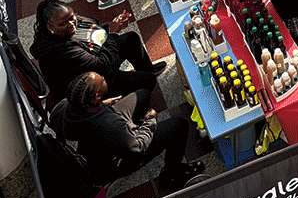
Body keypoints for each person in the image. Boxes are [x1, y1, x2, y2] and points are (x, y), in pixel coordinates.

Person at [50, 72, 203, 189]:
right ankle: (171, 173)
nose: (104, 78)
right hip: (115, 163)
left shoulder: (66, 106)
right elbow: (137, 148)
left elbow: (66, 119)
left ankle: (131, 131)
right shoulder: (108, 124)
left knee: (143, 94)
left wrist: (103, 104)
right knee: (178, 125)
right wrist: (150, 121)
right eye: (101, 81)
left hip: (105, 135)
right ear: (95, 97)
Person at [31, 0, 166, 103]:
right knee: (148, 81)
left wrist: (111, 26)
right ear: (50, 27)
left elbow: (93, 31)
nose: (71, 24)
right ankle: (129, 109)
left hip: (98, 61)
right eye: (63, 23)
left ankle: (148, 70)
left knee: (131, 39)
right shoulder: (59, 51)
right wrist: (112, 34)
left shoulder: (71, 23)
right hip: (91, 87)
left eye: (71, 18)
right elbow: (102, 67)